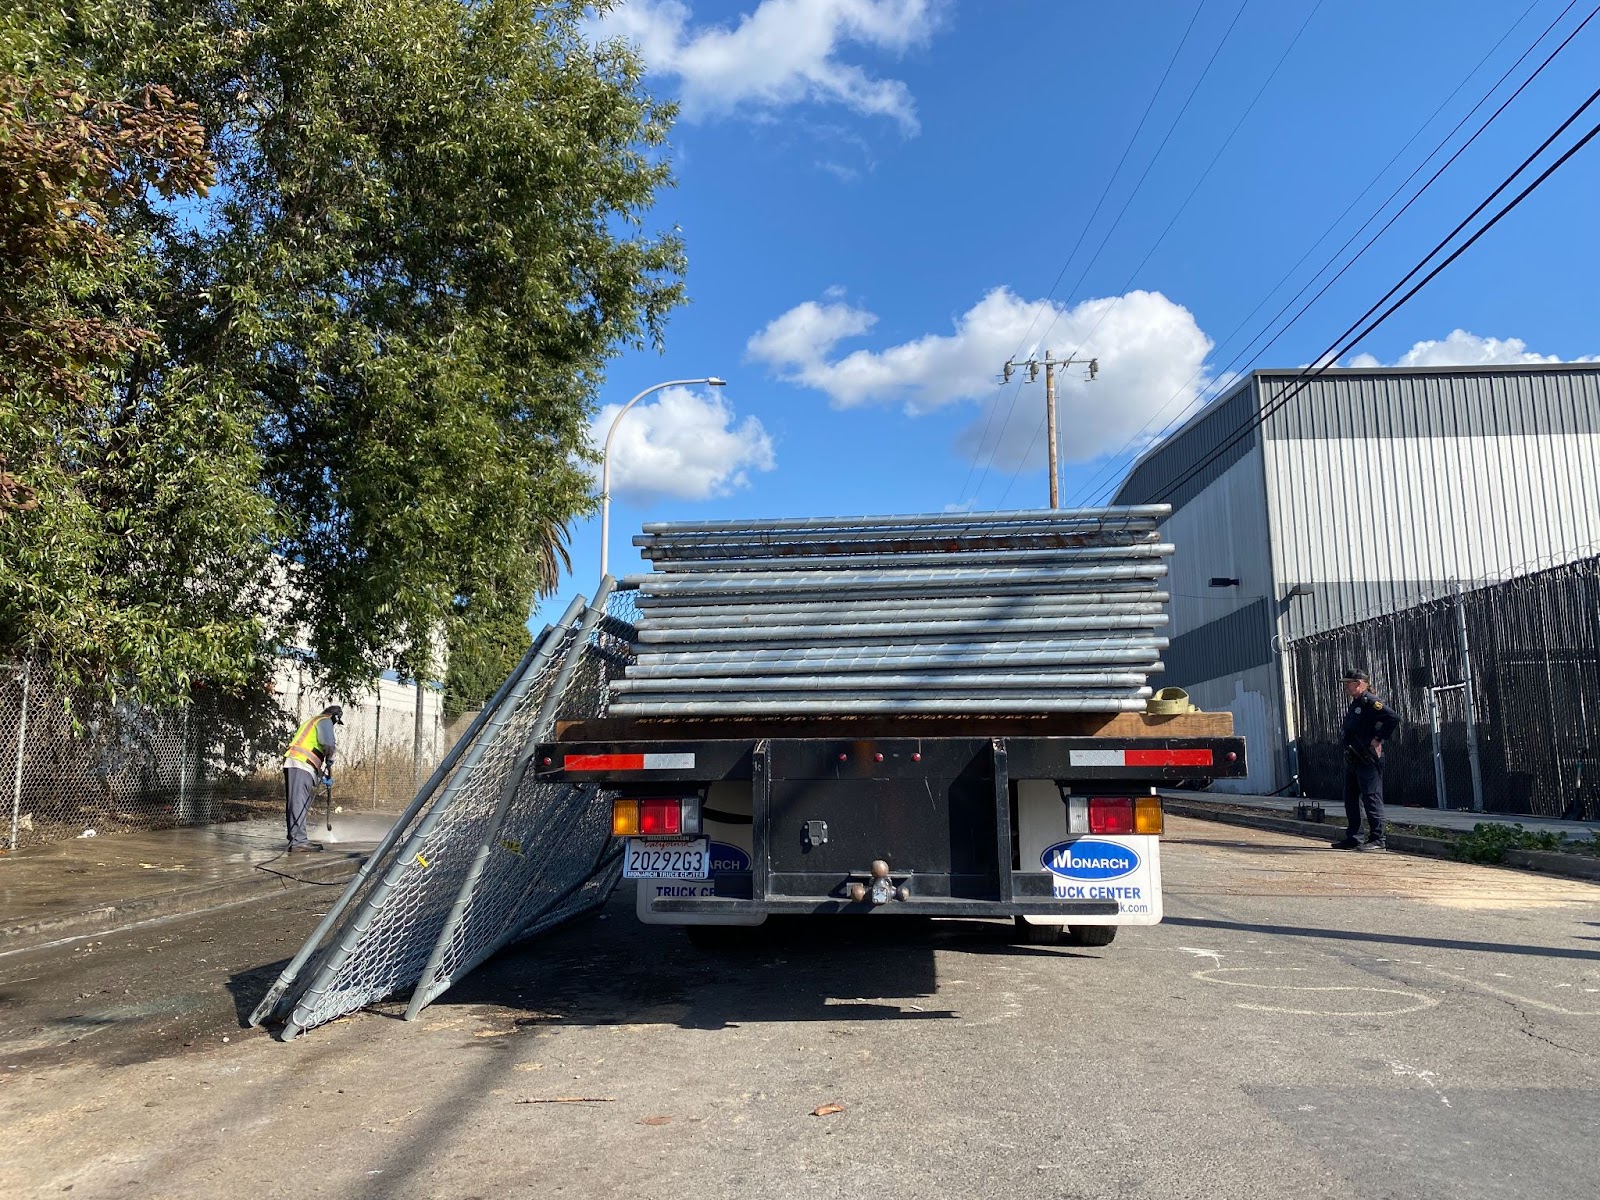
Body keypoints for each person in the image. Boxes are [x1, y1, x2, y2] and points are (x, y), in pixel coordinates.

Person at [1331, 670, 1400, 851]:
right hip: (1354, 757)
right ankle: (1354, 837)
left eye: (1349, 682)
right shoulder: (1356, 703)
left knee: (1371, 797)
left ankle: (1378, 839)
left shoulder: (1369, 701)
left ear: (1360, 683)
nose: (1346, 686)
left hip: (1367, 757)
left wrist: (1378, 738)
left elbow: (1392, 718)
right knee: (1351, 798)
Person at [283, 704, 342, 852]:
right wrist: (329, 757)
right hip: (300, 763)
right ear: (335, 717)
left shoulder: (313, 721)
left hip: (300, 764)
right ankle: (298, 842)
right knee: (298, 803)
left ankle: (296, 840)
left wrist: (321, 777)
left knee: (298, 802)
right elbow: (328, 743)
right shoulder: (324, 720)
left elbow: (312, 752)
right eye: (336, 722)